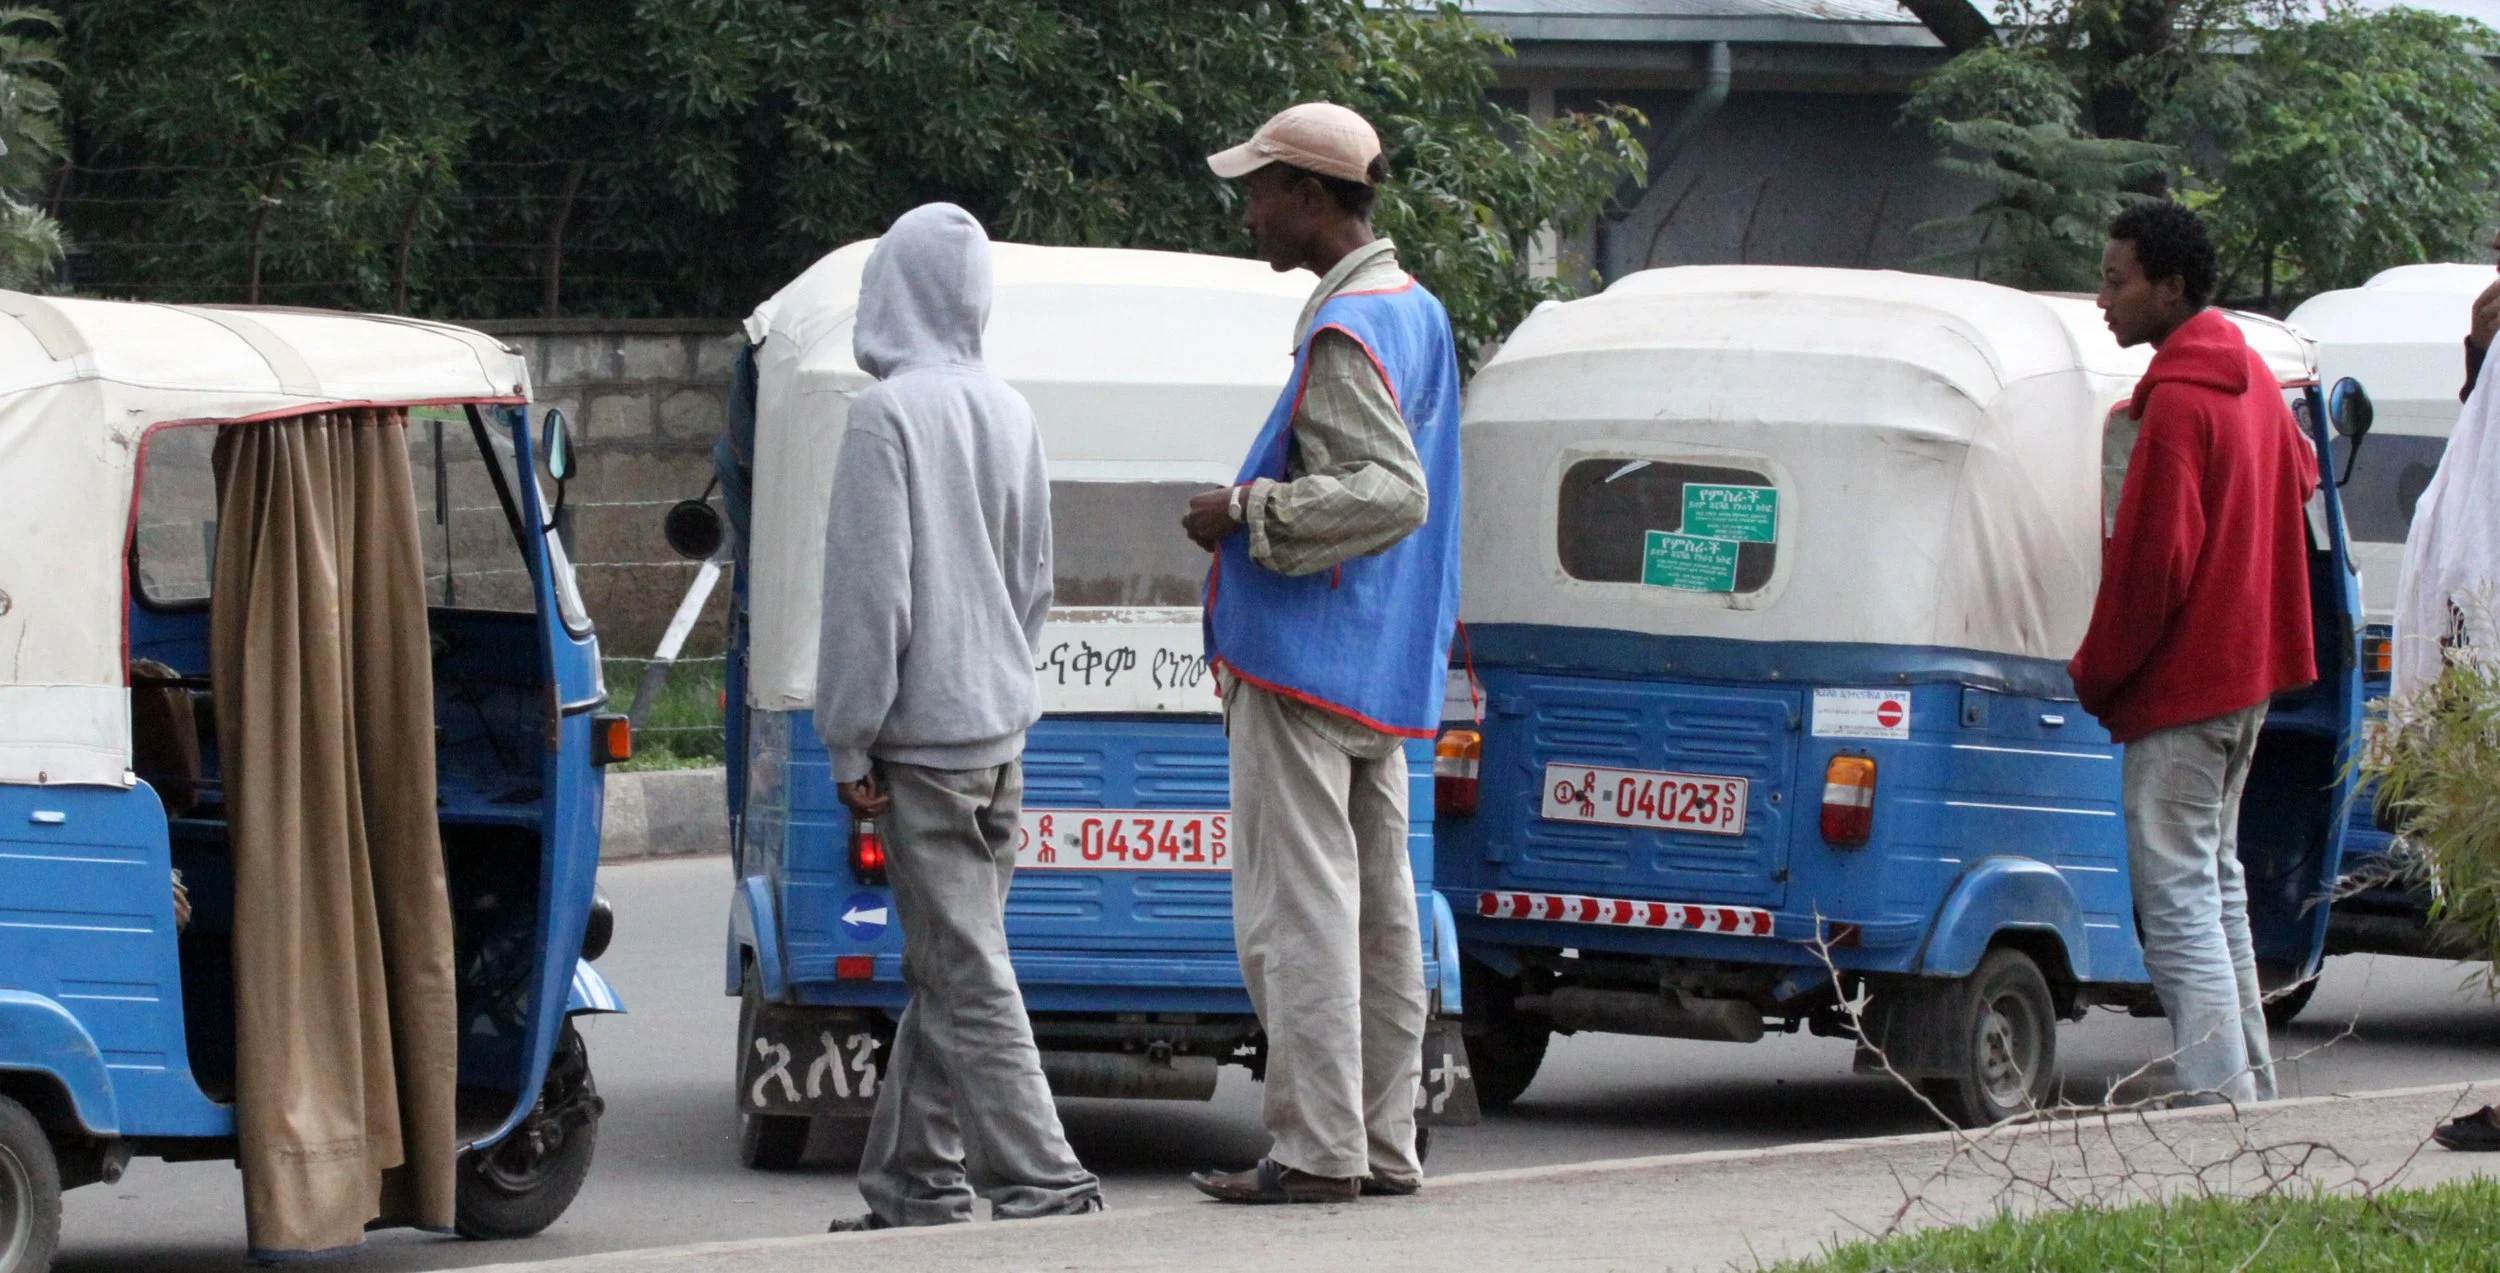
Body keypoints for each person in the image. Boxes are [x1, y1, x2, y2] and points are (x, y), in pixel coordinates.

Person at [1181, 102, 1463, 1204]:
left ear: (1308, 195)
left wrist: (1246, 510)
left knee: (1298, 916)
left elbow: (1392, 492)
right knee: (1381, 919)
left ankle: (1313, 1151)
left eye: (1259, 191)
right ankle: (1383, 1142)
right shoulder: (1418, 310)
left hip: (1306, 658)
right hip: (1383, 658)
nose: (1249, 212)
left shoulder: (1342, 327)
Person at [813, 202, 1103, 1229]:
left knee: (966, 970)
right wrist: (998, 678)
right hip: (997, 732)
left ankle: (1044, 1177)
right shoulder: (1009, 410)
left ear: (888, 291)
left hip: (921, 741)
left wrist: (849, 733)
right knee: (952, 960)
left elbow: (866, 599)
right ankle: (914, 1184)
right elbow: (1035, 584)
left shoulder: (884, 417)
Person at [2072, 201, 2317, 1108]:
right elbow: (2299, 476)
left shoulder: (2176, 402)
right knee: (2214, 883)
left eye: (2116, 279)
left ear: (2168, 288)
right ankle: (2245, 1080)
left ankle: (2217, 1094)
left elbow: (2150, 570)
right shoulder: (2250, 375)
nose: (2103, 296)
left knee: (2175, 896)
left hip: (2182, 687)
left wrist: (2096, 673)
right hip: (2247, 677)